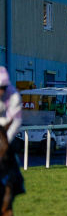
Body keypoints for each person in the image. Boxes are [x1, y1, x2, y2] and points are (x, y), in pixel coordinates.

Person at [0, 67, 24, 198]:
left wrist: (6, 141)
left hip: (6, 126)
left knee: (12, 152)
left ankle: (18, 183)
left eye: (3, 88)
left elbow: (16, 121)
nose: (1, 91)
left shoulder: (14, 96)